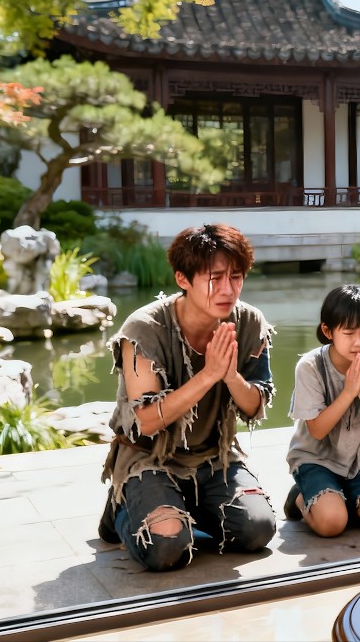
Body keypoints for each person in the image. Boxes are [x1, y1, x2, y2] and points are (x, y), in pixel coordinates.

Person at [98, 223, 277, 572]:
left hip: (213, 457)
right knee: (166, 549)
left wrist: (230, 375)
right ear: (183, 278)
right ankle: (122, 507)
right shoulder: (144, 328)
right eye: (215, 278)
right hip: (149, 458)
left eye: (236, 277)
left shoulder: (249, 321)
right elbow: (147, 421)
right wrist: (209, 374)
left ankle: (184, 505)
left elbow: (255, 407)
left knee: (257, 529)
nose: (228, 289)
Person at [283, 283, 360, 537]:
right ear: (328, 331)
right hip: (315, 459)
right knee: (332, 524)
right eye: (348, 333)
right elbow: (317, 431)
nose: (358, 342)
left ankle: (340, 497)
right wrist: (348, 393)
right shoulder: (311, 366)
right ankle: (302, 498)